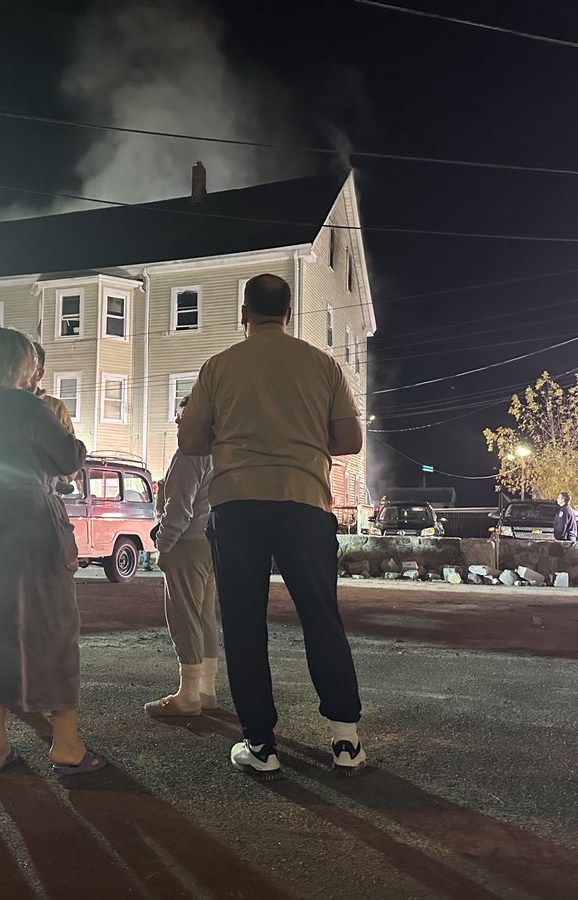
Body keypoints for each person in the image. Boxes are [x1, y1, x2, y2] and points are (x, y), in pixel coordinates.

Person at [179, 273, 366, 779]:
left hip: (237, 503)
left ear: (244, 313)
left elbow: (192, 443)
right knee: (321, 617)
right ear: (288, 313)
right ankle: (345, 739)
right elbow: (350, 440)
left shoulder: (218, 367)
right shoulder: (321, 365)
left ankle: (260, 745)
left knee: (243, 622)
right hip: (305, 501)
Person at [0, 327, 107, 775]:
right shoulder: (29, 407)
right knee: (52, 626)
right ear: (17, 364)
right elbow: (68, 458)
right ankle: (66, 744)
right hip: (29, 516)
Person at [145, 395, 218, 718]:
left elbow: (179, 506)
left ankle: (187, 694)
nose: (177, 421)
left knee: (184, 617)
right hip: (212, 542)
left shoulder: (190, 453)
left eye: (184, 415)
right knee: (204, 617)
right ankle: (206, 689)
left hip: (186, 544)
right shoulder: (220, 452)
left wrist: (163, 542)